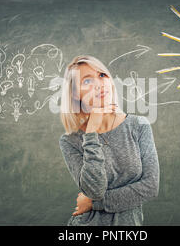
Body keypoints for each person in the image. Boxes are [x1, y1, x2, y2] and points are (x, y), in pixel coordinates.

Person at [58, 55, 160, 226]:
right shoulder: (69, 141)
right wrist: (91, 133)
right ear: (76, 94)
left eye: (102, 75)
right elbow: (94, 190)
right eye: (87, 81)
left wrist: (93, 203)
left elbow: (150, 187)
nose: (99, 84)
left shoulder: (138, 126)